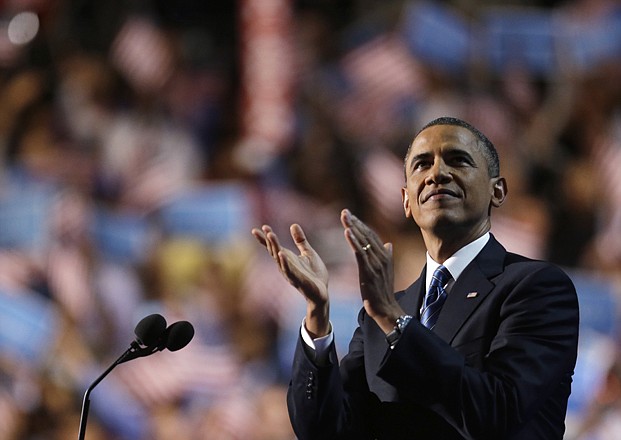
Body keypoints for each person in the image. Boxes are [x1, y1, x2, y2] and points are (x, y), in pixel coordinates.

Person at [251, 116, 579, 439]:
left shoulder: (537, 288)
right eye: (422, 165)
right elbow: (325, 430)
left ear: (497, 191)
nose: (437, 173)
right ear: (407, 200)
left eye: (458, 160)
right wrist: (317, 315)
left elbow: (497, 414)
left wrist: (394, 321)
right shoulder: (381, 316)